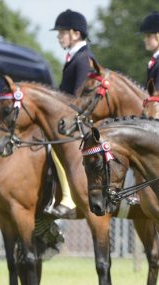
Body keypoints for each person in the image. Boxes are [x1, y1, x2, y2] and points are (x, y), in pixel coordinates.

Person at [49, 9, 96, 218]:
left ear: (75, 34)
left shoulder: (84, 59)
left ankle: (68, 196)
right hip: (69, 118)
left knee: (55, 147)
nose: (59, 36)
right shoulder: (74, 57)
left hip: (80, 120)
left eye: (62, 32)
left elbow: (78, 96)